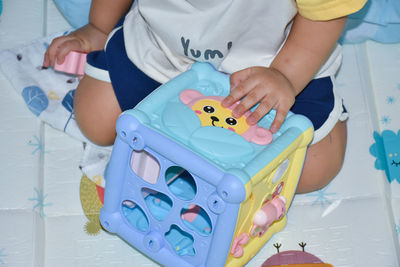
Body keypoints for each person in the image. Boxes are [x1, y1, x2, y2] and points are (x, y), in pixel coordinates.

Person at [43, 0, 366, 193]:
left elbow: (325, 12)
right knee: (95, 119)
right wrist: (99, 27)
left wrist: (286, 76)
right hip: (164, 50)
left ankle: (326, 115)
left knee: (314, 169)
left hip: (276, 63)